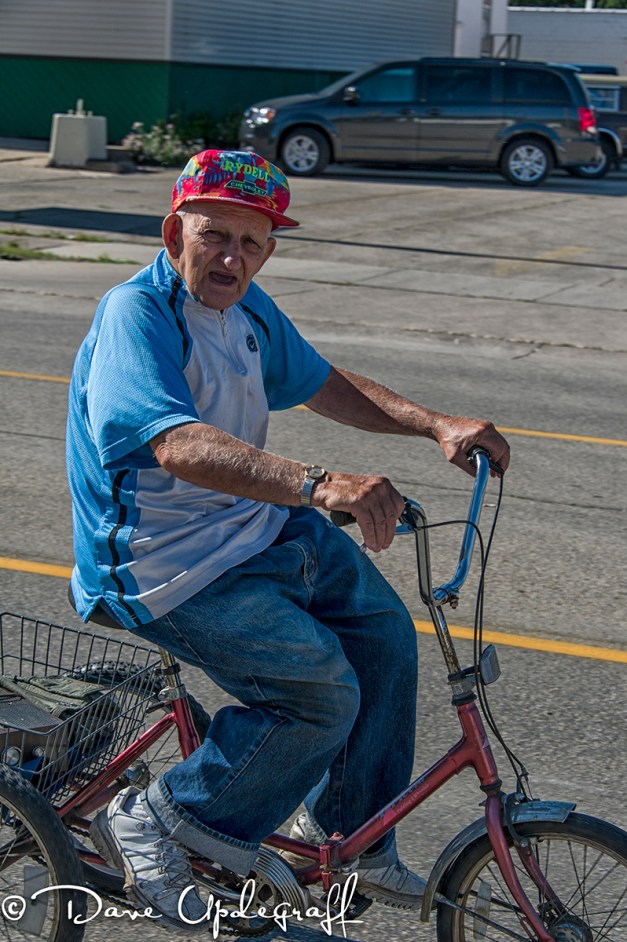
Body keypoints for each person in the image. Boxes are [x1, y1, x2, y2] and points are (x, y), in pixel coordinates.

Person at [66, 149, 510, 931]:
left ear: (268, 249)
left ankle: (346, 837)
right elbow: (173, 442)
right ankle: (160, 818)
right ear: (175, 230)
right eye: (214, 235)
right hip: (163, 561)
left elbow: (320, 382)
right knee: (317, 694)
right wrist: (320, 484)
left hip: (257, 529)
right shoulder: (136, 312)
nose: (232, 255)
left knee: (382, 642)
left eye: (251, 241)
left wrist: (433, 424)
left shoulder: (247, 309)